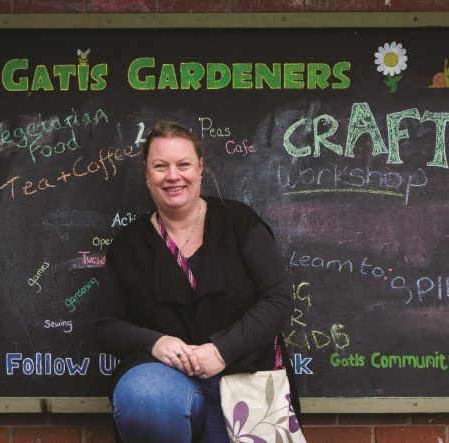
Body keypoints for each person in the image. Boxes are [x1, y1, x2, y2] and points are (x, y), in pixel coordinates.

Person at [94, 120, 299, 442]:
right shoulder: (129, 244)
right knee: (147, 396)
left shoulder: (239, 223)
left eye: (183, 164)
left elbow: (277, 300)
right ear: (146, 175)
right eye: (160, 166)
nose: (173, 176)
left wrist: (221, 351)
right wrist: (155, 343)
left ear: (200, 168)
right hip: (164, 376)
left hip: (241, 373)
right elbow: (105, 324)